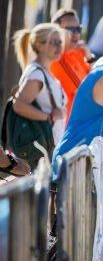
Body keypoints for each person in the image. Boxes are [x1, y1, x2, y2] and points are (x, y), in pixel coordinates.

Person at [11, 24, 67, 166]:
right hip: (41, 152)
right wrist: (48, 117)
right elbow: (19, 105)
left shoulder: (43, 72)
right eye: (54, 42)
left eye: (60, 42)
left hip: (49, 148)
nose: (59, 46)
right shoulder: (37, 74)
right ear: (39, 45)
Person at [50, 9, 92, 120]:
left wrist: (89, 57)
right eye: (70, 30)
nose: (76, 34)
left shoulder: (78, 53)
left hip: (80, 123)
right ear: (56, 32)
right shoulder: (56, 60)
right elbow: (89, 91)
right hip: (67, 128)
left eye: (78, 29)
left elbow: (96, 80)